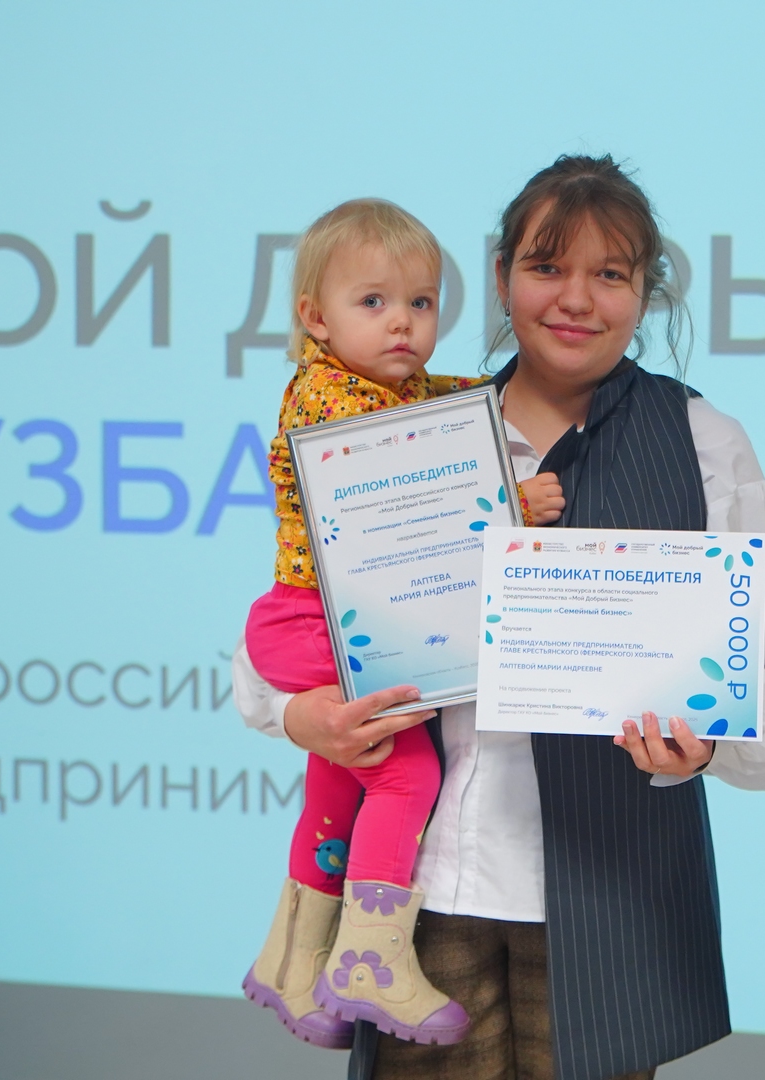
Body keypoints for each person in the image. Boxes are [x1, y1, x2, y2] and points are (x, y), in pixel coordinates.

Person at [233, 156, 765, 1080]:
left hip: (612, 899)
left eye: (609, 273)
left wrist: (703, 747)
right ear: (500, 278)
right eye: (545, 266)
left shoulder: (703, 444)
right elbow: (287, 626)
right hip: (419, 901)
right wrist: (300, 715)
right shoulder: (412, 428)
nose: (575, 298)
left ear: (646, 292)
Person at [239, 198, 565, 1050]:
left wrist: (499, 401)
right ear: (315, 317)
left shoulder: (397, 389)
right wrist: (509, 497)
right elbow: (412, 489)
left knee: (338, 778)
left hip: (321, 619)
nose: (404, 323)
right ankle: (369, 959)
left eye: (422, 303)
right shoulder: (329, 397)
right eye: (374, 302)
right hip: (321, 622)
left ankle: (292, 959)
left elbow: (458, 406)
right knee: (404, 773)